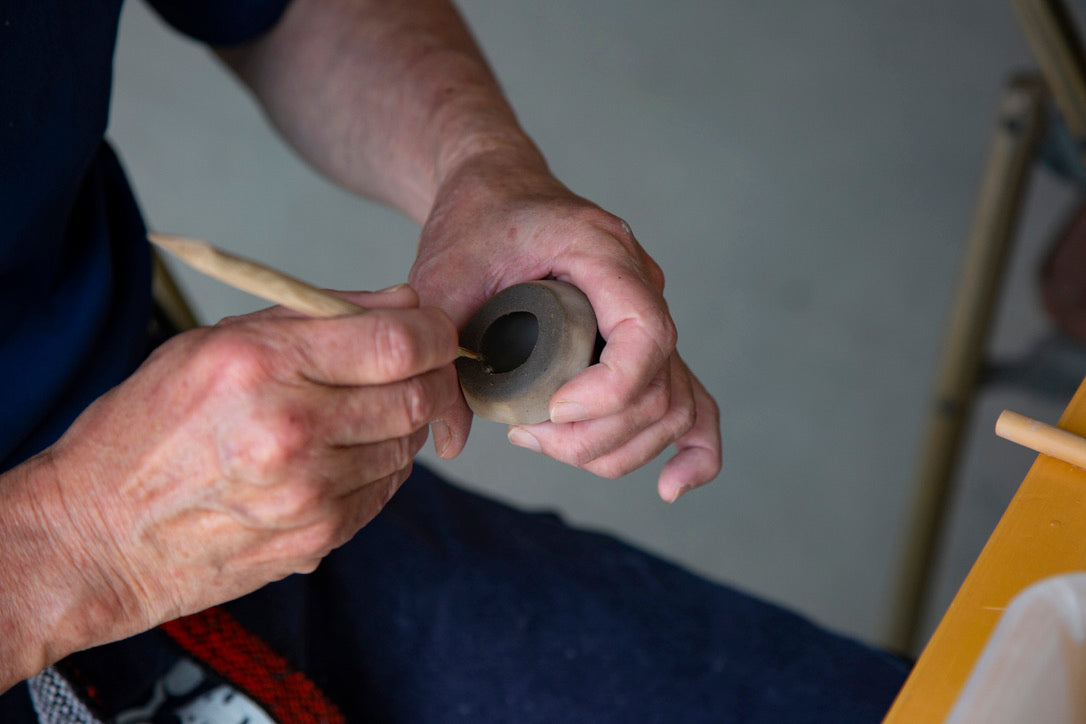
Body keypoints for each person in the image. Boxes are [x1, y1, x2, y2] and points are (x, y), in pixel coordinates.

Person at [0, 1, 908, 720]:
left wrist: (476, 162)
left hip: (223, 476)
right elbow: (72, 547)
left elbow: (280, 7)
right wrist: (72, 544)